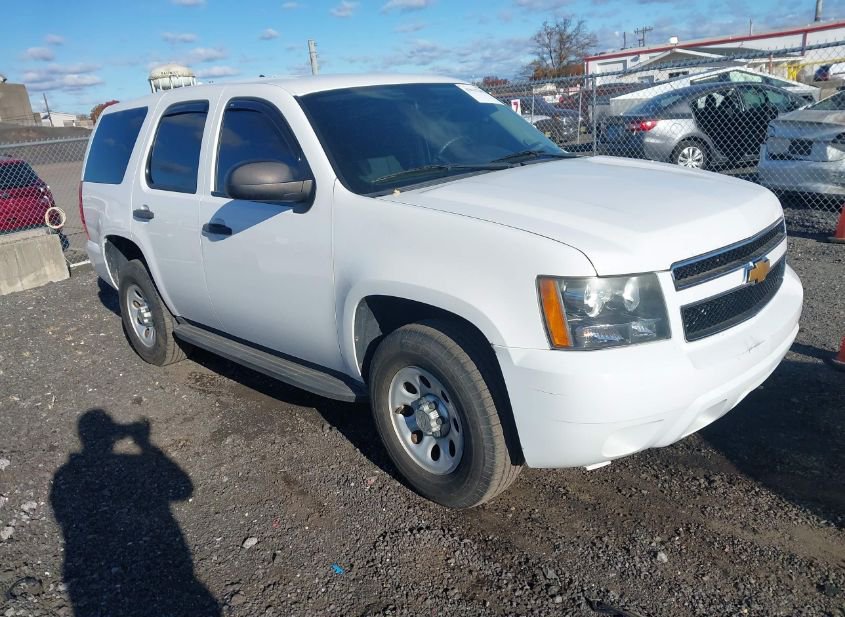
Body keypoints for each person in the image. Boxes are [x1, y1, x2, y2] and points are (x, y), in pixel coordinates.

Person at [51, 409, 220, 617]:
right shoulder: (122, 464)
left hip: (92, 568)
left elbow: (64, 516)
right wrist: (145, 444)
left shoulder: (65, 475)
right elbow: (184, 488)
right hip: (157, 559)